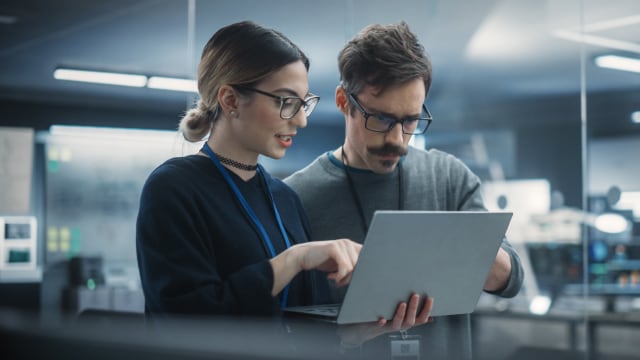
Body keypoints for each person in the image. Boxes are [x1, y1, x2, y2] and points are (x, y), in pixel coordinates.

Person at [136, 21, 431, 350]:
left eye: (303, 103)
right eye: (285, 102)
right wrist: (294, 260)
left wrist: (351, 332)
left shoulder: (284, 199)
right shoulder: (174, 188)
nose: (301, 120)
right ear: (231, 99)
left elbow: (299, 330)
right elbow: (186, 322)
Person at [284, 22, 524, 359]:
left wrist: (457, 246)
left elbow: (511, 280)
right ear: (343, 101)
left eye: (410, 121)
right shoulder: (294, 197)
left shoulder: (449, 176)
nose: (397, 140)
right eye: (381, 119)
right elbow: (285, 331)